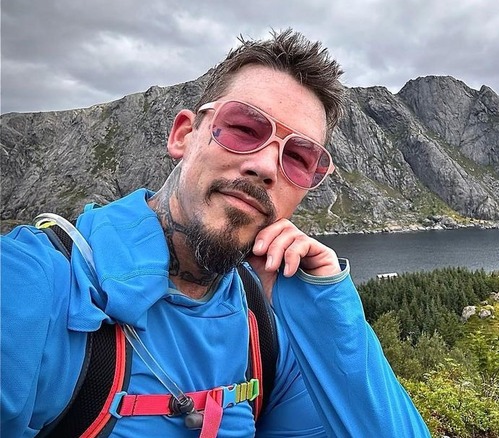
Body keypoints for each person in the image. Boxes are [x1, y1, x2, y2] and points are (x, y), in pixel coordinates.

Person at [1, 29, 430, 437]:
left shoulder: (268, 328)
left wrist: (327, 309)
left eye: (299, 157)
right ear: (184, 135)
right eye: (244, 129)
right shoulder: (36, 280)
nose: (264, 167)